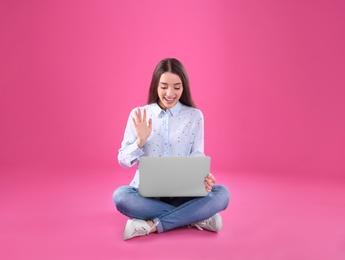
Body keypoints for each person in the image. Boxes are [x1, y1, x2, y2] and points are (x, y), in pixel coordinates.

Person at [113, 58, 230, 240]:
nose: (170, 93)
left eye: (177, 87)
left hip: (183, 194)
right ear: (155, 86)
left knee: (222, 194)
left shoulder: (194, 116)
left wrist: (204, 179)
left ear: (184, 87)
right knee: (120, 196)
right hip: (146, 195)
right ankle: (196, 217)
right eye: (164, 86)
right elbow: (123, 160)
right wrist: (140, 142)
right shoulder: (139, 114)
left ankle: (151, 225)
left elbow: (197, 157)